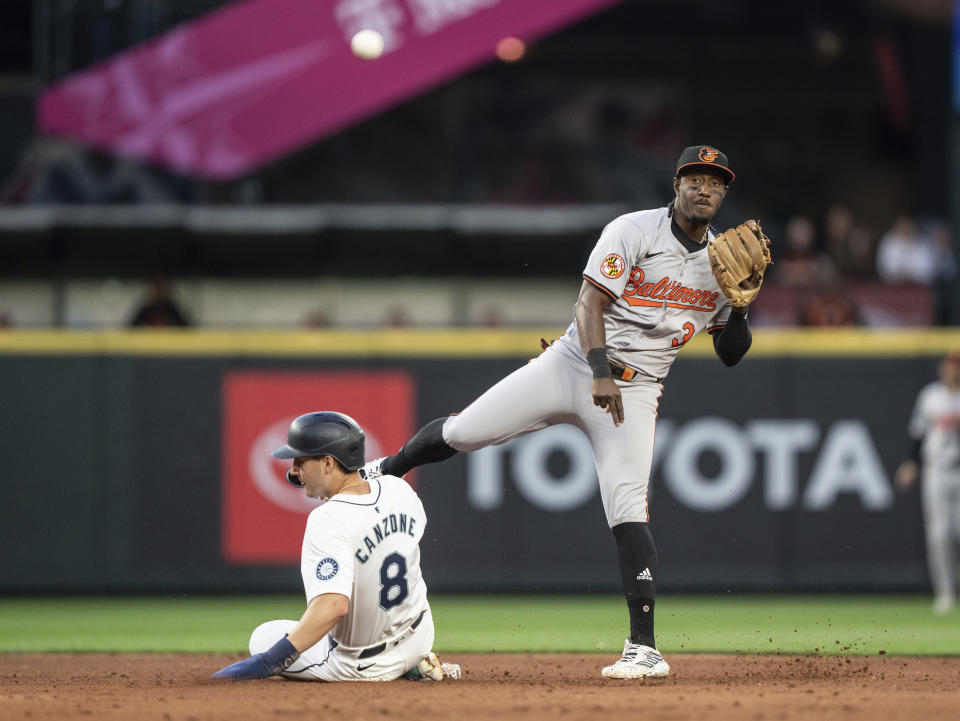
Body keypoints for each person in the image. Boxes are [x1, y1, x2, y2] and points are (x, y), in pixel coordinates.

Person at [360, 145, 764, 679]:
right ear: (677, 183)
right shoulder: (634, 231)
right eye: (695, 177)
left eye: (716, 181)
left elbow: (731, 354)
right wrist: (598, 369)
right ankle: (381, 471)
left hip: (638, 389)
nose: (705, 188)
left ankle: (643, 648)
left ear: (724, 193)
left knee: (628, 507)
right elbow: (589, 302)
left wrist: (739, 308)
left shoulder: (720, 266)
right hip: (573, 363)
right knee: (463, 431)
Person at [212, 411, 459, 682]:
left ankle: (396, 669)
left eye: (299, 461)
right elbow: (375, 480)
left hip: (364, 665)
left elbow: (332, 605)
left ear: (328, 463)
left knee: (263, 637)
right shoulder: (399, 491)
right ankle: (413, 663)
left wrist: (269, 662)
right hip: (419, 636)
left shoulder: (327, 519)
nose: (293, 471)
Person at [894, 354, 960, 613]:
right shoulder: (930, 396)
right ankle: (944, 593)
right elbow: (917, 433)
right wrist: (911, 462)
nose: (951, 371)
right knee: (939, 534)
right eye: (948, 367)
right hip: (937, 470)